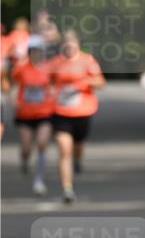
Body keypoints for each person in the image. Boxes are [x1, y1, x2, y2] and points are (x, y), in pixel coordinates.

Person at [49, 29, 105, 203]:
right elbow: (49, 82)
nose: (68, 46)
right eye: (65, 43)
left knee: (78, 145)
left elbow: (100, 82)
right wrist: (52, 92)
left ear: (78, 45)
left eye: (72, 42)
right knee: (64, 149)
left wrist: (84, 82)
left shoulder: (87, 60)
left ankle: (78, 159)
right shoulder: (55, 63)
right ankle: (67, 189)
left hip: (83, 111)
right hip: (60, 112)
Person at [8, 35, 54, 194]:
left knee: (42, 143)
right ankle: (25, 159)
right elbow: (14, 85)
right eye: (33, 51)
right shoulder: (21, 68)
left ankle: (39, 180)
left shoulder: (49, 68)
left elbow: (54, 86)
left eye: (39, 51)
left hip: (44, 112)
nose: (36, 54)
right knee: (26, 147)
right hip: (25, 113)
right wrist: (13, 100)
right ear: (29, 52)